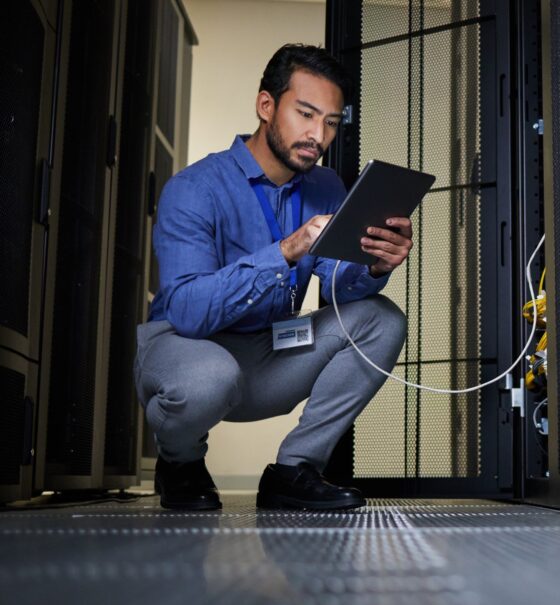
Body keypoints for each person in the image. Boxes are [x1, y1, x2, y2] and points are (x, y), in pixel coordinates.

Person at [135, 44, 410, 512]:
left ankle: (294, 469)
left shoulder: (325, 186)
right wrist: (285, 251)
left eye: (329, 122)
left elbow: (338, 286)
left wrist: (374, 264)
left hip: (268, 352)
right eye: (305, 114)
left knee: (381, 320)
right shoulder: (194, 188)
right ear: (266, 106)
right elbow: (187, 312)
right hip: (185, 350)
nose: (317, 135)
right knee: (208, 377)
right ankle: (179, 461)